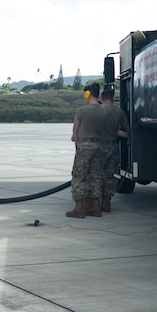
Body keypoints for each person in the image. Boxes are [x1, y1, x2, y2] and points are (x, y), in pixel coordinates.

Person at [67, 83, 108, 218]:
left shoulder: (82, 110)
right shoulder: (103, 110)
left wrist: (75, 138)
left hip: (85, 146)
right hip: (99, 145)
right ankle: (96, 207)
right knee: (96, 176)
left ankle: (79, 208)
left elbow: (75, 130)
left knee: (79, 176)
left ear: (88, 94)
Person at [99, 85, 130, 213]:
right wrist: (129, 139)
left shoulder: (98, 110)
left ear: (102, 98)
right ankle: (107, 202)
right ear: (112, 98)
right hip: (112, 145)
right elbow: (127, 129)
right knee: (110, 175)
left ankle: (96, 203)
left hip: (99, 146)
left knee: (97, 175)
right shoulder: (119, 111)